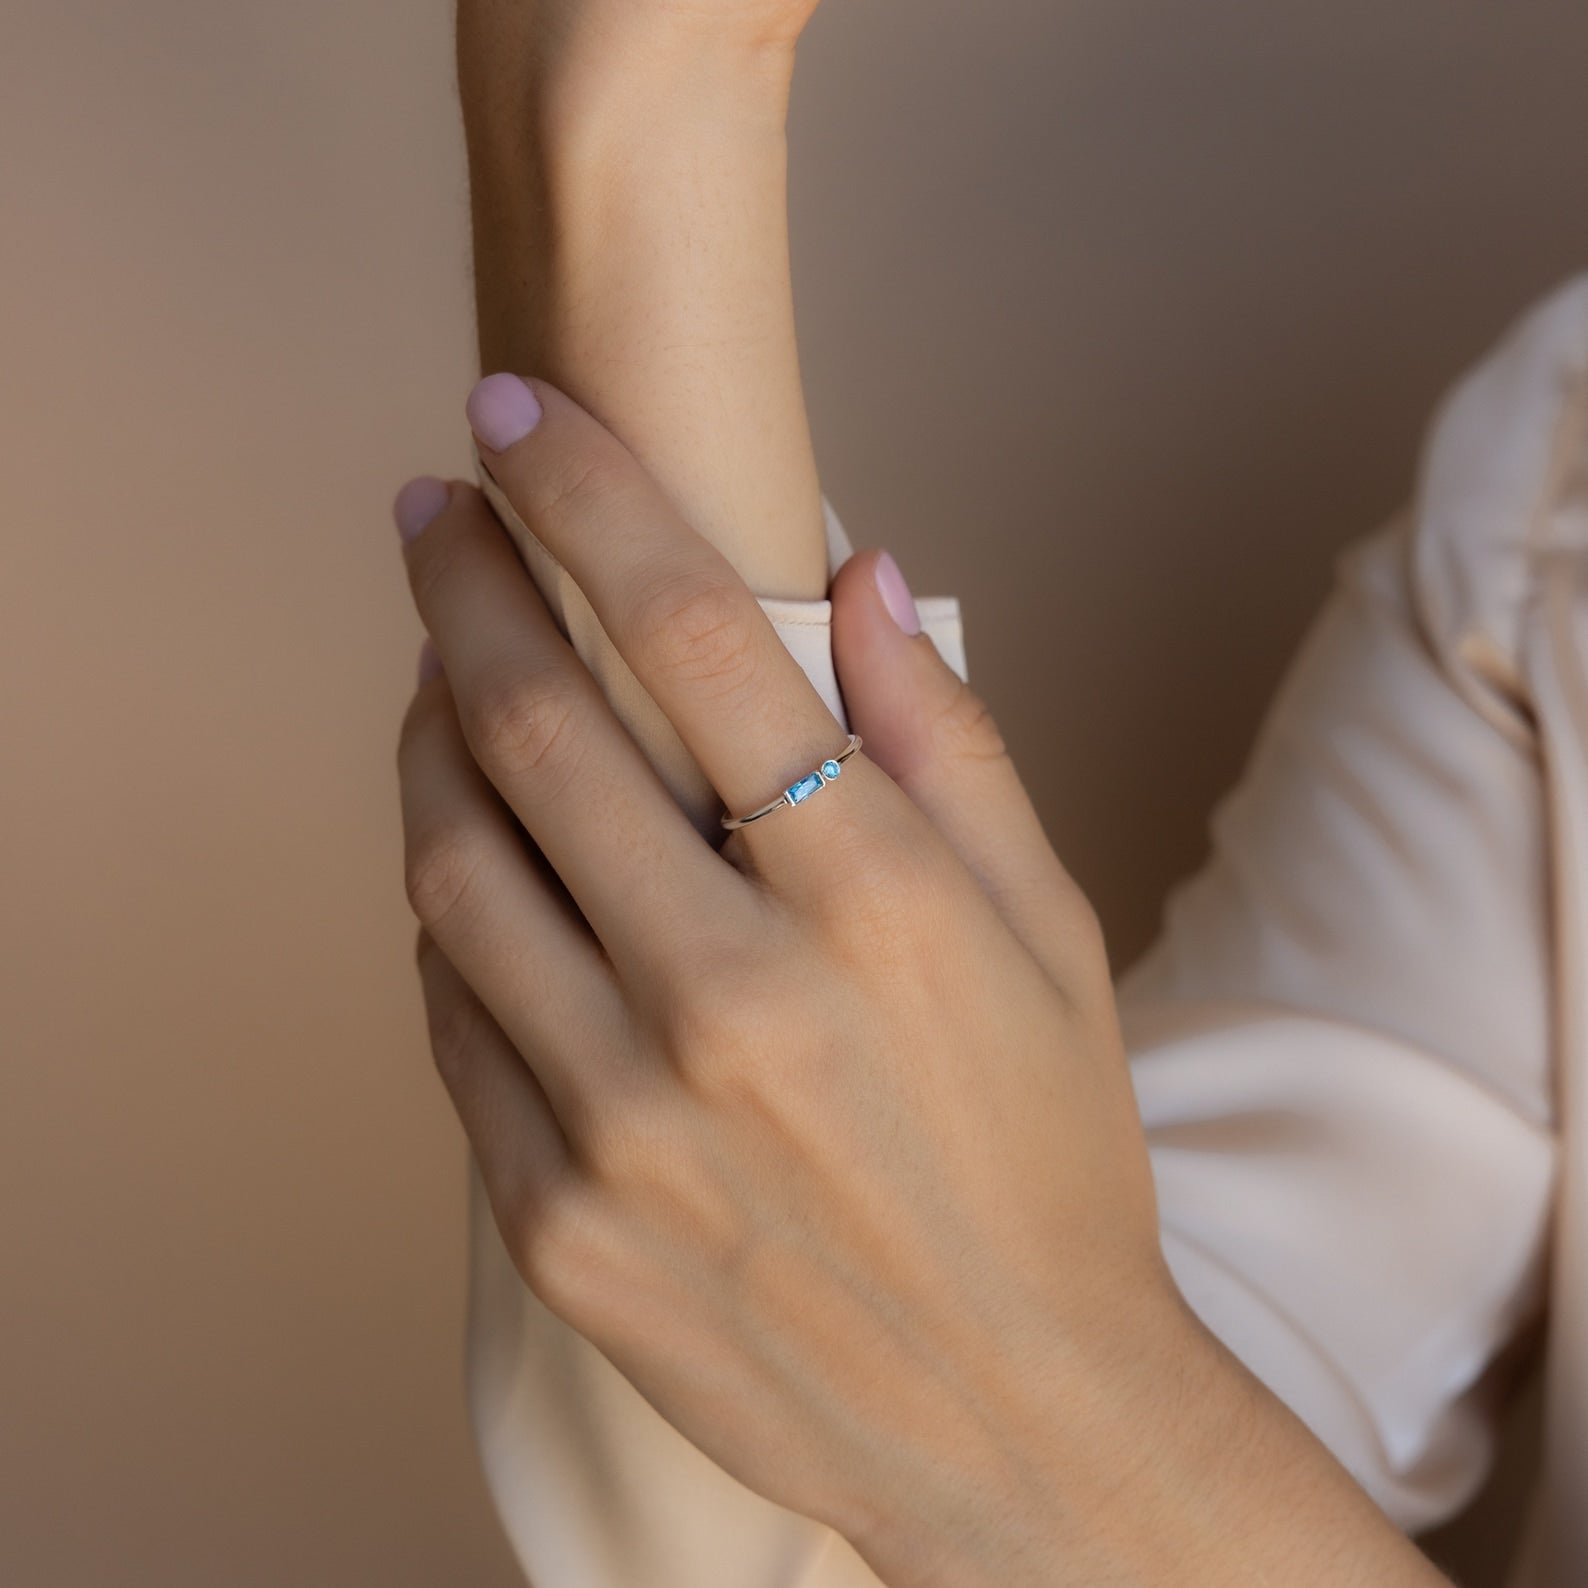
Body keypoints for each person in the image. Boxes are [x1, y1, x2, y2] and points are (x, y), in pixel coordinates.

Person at [390, 2, 1582, 1581]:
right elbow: (833, 1433)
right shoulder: (1557, 503)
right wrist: (638, 129)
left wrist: (1067, 1427)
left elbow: (967, 1414)